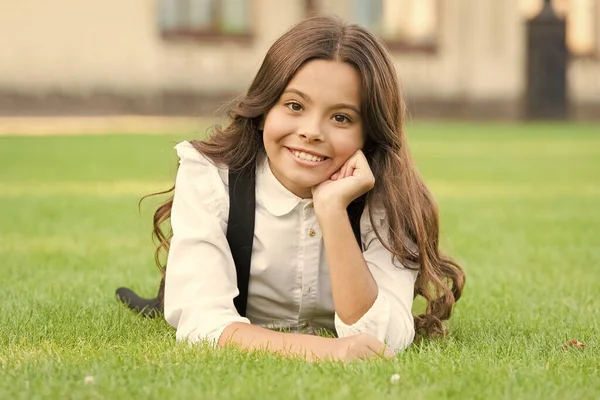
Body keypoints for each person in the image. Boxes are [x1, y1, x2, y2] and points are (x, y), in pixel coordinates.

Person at [148, 15, 465, 362]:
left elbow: (381, 336)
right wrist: (332, 351)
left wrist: (331, 210)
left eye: (341, 117)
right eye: (295, 106)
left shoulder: (390, 195)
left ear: (369, 133)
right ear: (265, 109)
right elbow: (202, 323)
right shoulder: (209, 175)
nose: (312, 131)